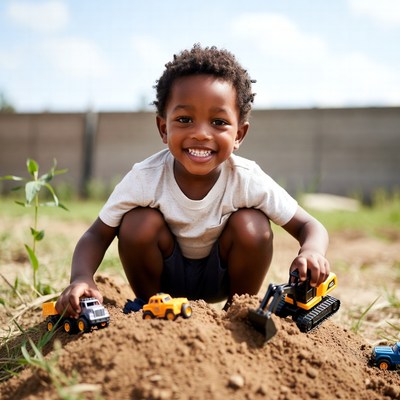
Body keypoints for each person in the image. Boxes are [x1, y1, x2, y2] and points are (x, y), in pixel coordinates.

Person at [56, 44, 329, 317]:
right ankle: (152, 309)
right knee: (137, 222)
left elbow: (309, 225)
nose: (200, 133)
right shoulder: (146, 177)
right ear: (164, 128)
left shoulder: (246, 179)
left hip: (221, 278)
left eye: (219, 122)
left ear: (239, 135)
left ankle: (238, 311)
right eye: (185, 119)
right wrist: (81, 277)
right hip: (162, 281)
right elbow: (96, 234)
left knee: (253, 224)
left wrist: (312, 251)